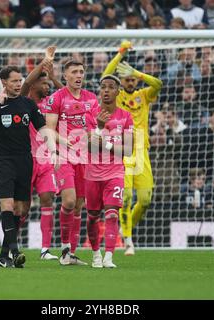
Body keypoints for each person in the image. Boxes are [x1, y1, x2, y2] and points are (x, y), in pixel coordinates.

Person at [0, 65, 56, 268]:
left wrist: (54, 146)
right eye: (14, 81)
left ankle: (3, 256)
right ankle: (15, 251)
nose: (19, 84)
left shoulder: (28, 104)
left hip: (25, 161)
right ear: (4, 82)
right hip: (3, 161)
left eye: (20, 80)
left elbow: (42, 127)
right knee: (8, 206)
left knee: (21, 210)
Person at [102, 41, 163, 256]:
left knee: (145, 200)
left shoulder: (144, 95)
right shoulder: (117, 96)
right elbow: (106, 76)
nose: (129, 82)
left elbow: (159, 84)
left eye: (131, 79)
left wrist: (138, 72)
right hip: (123, 148)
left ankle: (126, 228)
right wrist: (120, 53)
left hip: (142, 151)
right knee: (125, 197)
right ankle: (128, 239)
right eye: (125, 79)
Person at [45, 59, 99, 266]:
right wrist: (64, 141)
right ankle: (65, 248)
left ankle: (70, 254)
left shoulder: (91, 99)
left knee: (78, 206)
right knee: (68, 201)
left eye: (81, 72)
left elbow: (95, 128)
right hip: (64, 155)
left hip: (85, 158)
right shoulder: (56, 98)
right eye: (74, 72)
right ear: (65, 76)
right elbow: (49, 128)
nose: (79, 75)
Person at [85, 74, 133, 268]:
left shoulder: (125, 116)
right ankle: (96, 254)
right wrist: (98, 127)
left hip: (115, 173)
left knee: (112, 214)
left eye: (111, 87)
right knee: (92, 217)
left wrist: (105, 145)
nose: (106, 90)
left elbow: (128, 150)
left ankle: (109, 257)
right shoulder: (90, 115)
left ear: (118, 91)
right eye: (103, 87)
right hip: (93, 174)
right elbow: (89, 146)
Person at [20, 46, 63, 260]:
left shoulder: (53, 103)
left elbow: (70, 96)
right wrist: (45, 62)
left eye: (48, 83)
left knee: (47, 199)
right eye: (44, 83)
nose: (47, 87)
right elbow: (27, 82)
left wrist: (54, 78)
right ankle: (12, 243)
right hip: (25, 160)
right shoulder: (25, 101)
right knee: (22, 207)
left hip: (45, 159)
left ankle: (45, 249)